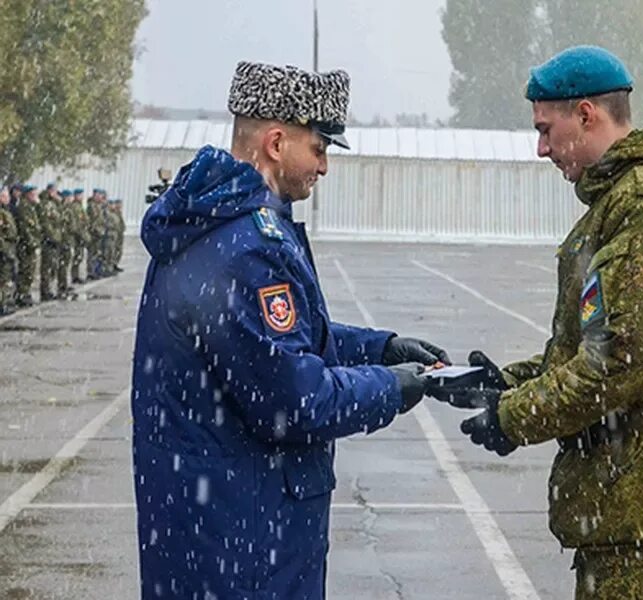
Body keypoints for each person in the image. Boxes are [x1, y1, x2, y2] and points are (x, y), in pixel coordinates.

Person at [131, 61, 450, 599]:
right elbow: (295, 401)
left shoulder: (213, 222)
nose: (323, 167)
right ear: (276, 143)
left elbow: (275, 342)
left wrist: (380, 348)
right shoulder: (248, 247)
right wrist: (393, 387)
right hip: (247, 542)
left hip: (210, 528)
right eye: (319, 148)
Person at [433, 46, 643, 599]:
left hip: (642, 496)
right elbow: (594, 345)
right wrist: (510, 383)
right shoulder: (619, 201)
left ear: (587, 114)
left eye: (546, 129)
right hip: (624, 494)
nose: (541, 148)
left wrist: (515, 417)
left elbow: (621, 363)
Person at [0, 185, 18, 315]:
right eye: (5, 196)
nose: (8, 198)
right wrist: (4, 249)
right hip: (4, 250)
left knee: (6, 278)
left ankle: (4, 302)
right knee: (3, 279)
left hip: (9, 249)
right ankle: (2, 304)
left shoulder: (6, 211)